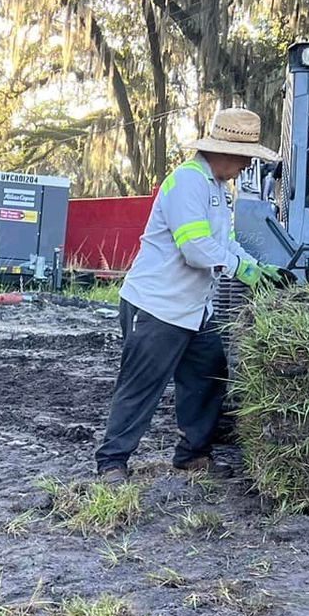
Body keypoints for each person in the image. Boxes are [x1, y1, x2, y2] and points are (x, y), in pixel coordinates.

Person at [95, 106, 283, 483]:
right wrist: (238, 269)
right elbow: (195, 247)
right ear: (224, 150)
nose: (247, 166)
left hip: (195, 308)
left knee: (208, 375)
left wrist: (257, 267)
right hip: (157, 305)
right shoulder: (187, 182)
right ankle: (112, 462)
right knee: (141, 385)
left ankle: (193, 455)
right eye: (245, 157)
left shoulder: (216, 189)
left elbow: (224, 241)